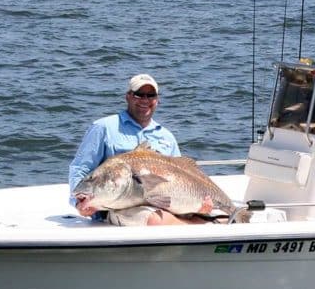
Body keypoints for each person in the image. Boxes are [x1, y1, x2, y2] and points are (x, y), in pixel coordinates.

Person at [68, 74, 211, 226]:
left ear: (157, 100)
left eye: (150, 95)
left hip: (162, 203)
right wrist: (79, 203)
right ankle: (200, 226)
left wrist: (200, 205)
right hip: (118, 208)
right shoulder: (104, 128)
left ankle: (211, 219)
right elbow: (80, 168)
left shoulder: (166, 136)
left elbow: (182, 176)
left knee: (208, 212)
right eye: (139, 94)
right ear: (128, 96)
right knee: (157, 220)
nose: (145, 100)